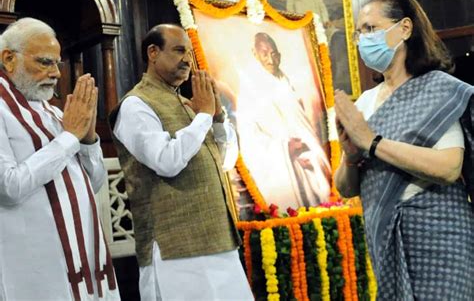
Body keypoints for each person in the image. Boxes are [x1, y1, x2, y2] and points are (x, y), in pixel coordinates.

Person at [335, 0, 474, 299]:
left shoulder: (436, 92)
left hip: (439, 235)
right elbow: (346, 188)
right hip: (386, 236)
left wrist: (371, 141)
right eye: (359, 32)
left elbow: (450, 167)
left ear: (405, 28)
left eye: (370, 28)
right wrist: (350, 155)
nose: (363, 39)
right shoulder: (367, 102)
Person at [109, 24, 252, 300]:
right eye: (178, 50)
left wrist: (218, 118)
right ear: (153, 52)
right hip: (174, 248)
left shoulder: (191, 104)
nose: (187, 59)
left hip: (219, 240)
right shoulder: (136, 105)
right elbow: (166, 161)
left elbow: (226, 161)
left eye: (188, 52)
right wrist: (203, 117)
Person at [0, 18, 119, 300]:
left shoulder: (52, 112)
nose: (55, 73)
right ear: (8, 59)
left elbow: (95, 184)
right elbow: (9, 187)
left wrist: (88, 139)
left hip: (85, 256)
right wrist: (69, 138)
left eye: (57, 63)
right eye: (44, 62)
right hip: (37, 267)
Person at [237, 32, 332, 209]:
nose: (270, 60)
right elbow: (249, 137)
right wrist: (285, 149)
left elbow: (303, 126)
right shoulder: (250, 88)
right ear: (255, 54)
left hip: (306, 156)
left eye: (274, 54)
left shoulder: (285, 82)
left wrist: (309, 151)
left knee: (324, 193)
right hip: (279, 163)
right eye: (265, 54)